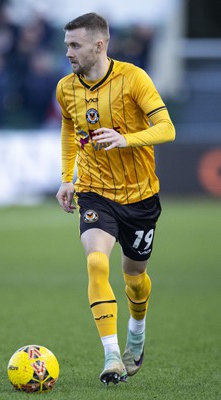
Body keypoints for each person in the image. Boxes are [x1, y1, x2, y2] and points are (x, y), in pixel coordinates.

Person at [55, 12, 175, 385]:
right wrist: (67, 178)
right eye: (66, 45)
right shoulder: (65, 88)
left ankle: (136, 331)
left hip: (140, 196)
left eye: (75, 45)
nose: (69, 52)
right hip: (95, 192)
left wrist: (127, 139)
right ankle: (112, 358)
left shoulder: (133, 78)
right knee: (95, 262)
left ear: (99, 45)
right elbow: (69, 127)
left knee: (135, 278)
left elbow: (167, 128)